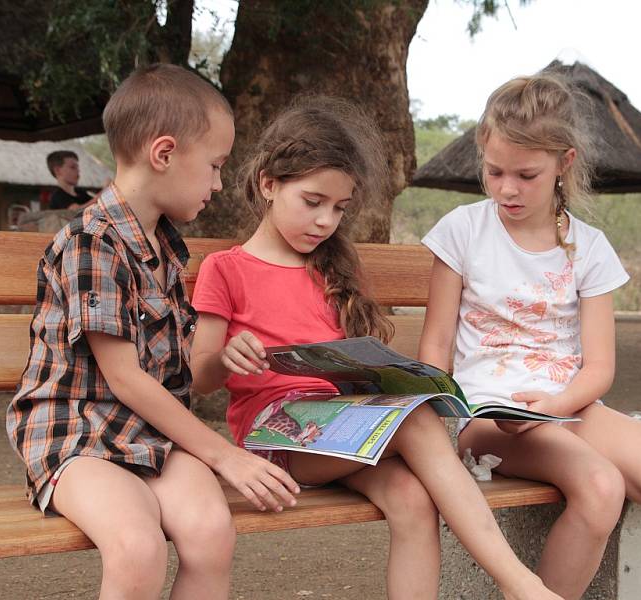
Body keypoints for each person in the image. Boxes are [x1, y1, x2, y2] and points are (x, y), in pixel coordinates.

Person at [190, 96, 562, 600]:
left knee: (412, 497)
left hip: (345, 428)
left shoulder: (333, 269)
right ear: (268, 184)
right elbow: (200, 377)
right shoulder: (227, 269)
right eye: (312, 201)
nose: (325, 222)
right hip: (277, 440)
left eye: (339, 209)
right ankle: (519, 582)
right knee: (413, 420)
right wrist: (226, 356)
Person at [7, 63, 299, 600]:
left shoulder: (163, 247)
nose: (217, 183)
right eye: (214, 166)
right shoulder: (91, 242)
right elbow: (125, 379)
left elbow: (176, 373)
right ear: (164, 154)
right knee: (139, 546)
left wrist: (219, 356)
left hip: (149, 432)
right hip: (79, 433)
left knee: (212, 533)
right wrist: (224, 453)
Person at [417, 72, 641, 600]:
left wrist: (556, 406)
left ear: (564, 163)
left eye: (526, 174)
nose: (507, 188)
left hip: (563, 407)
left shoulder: (590, 248)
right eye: (495, 172)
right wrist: (441, 425)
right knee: (601, 486)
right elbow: (435, 349)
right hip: (489, 417)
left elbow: (598, 368)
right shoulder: (463, 231)